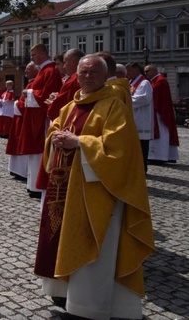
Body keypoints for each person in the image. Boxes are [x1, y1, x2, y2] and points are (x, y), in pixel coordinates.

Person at [35, 54, 154, 319]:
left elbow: (119, 152)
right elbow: (55, 130)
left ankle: (91, 307)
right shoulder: (70, 106)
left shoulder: (114, 106)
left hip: (98, 194)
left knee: (97, 251)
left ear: (104, 76)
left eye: (94, 72)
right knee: (64, 241)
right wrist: (55, 138)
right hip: (66, 191)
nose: (88, 76)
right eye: (83, 72)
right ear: (76, 75)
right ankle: (67, 295)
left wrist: (79, 142)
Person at [17, 44, 62, 197]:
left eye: (34, 55)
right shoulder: (44, 70)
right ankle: (33, 184)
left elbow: (47, 95)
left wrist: (28, 92)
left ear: (42, 54)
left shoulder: (50, 71)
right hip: (34, 116)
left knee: (38, 151)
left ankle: (37, 186)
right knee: (33, 153)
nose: (32, 58)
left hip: (40, 119)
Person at [37, 48, 84, 191]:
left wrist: (52, 104)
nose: (63, 66)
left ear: (73, 61)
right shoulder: (72, 78)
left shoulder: (74, 79)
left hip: (66, 123)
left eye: (65, 62)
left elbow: (63, 104)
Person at [6, 62, 39, 179]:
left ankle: (21, 171)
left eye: (28, 69)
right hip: (20, 116)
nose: (25, 72)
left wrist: (16, 104)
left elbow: (29, 103)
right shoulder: (30, 83)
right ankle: (16, 169)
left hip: (24, 117)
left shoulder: (34, 84)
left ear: (36, 70)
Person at [145, 65, 180, 162]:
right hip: (156, 111)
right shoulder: (154, 81)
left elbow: (158, 98)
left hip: (160, 112)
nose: (146, 73)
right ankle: (163, 155)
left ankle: (159, 156)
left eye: (148, 71)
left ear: (154, 70)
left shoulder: (160, 81)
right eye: (145, 71)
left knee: (162, 133)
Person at [126, 62, 152, 172]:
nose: (127, 73)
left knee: (141, 147)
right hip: (133, 118)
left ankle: (142, 170)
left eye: (129, 70)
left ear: (137, 70)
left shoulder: (144, 83)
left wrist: (124, 100)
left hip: (141, 120)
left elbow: (143, 99)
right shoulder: (131, 82)